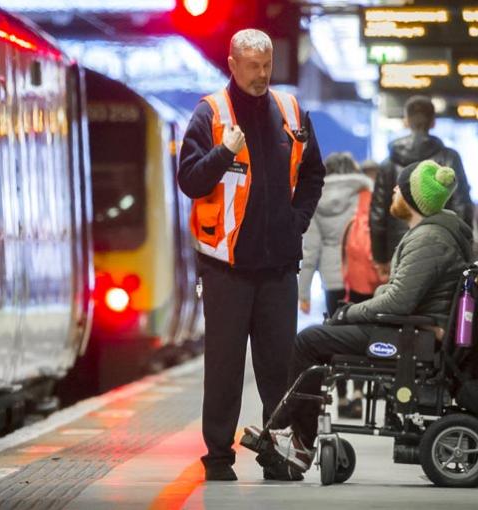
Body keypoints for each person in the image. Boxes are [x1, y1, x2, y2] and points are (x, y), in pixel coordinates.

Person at [255, 160, 472, 474]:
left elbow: (398, 301)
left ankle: (299, 440)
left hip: (412, 338)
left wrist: (347, 313)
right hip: (412, 331)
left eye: (400, 188)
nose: (394, 191)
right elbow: (396, 291)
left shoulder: (429, 240)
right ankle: (295, 433)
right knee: (317, 339)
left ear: (413, 199)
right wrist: (358, 310)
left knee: (309, 341)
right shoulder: (431, 234)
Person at [177, 28, 324, 481]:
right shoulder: (210, 114)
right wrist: (224, 152)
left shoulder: (291, 111)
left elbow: (314, 174)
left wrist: (295, 222)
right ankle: (219, 458)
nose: (262, 75)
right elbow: (190, 181)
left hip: (279, 266)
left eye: (267, 65)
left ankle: (274, 454)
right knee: (223, 367)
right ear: (233, 64)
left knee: (279, 367)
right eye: (253, 66)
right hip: (226, 268)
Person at [370, 96, 474, 282]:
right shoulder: (449, 158)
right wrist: (464, 249)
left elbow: (377, 215)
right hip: (442, 246)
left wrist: (380, 259)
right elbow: (463, 206)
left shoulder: (388, 164)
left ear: (406, 121)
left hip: (398, 248)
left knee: (400, 300)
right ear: (433, 122)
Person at [297, 152, 374, 317]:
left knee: (337, 332)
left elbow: (310, 251)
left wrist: (303, 293)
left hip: (332, 278)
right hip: (364, 272)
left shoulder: (316, 197)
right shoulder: (366, 192)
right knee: (365, 333)